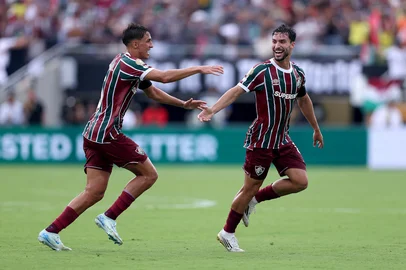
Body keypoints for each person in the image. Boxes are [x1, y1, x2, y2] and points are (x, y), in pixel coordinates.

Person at [38, 23, 223, 251]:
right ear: (135, 44)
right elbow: (164, 77)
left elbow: (153, 91)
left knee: (94, 191)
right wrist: (198, 68)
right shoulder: (128, 64)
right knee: (149, 174)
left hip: (93, 133)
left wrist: (183, 104)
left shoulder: (125, 62)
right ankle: (110, 216)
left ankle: (51, 231)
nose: (152, 45)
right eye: (148, 41)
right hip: (107, 133)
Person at [198, 24, 324, 252]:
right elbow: (236, 91)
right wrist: (213, 109)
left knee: (300, 181)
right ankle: (227, 232)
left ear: (292, 45)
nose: (277, 46)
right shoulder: (261, 71)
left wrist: (315, 127)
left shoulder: (297, 74)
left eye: (282, 42)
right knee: (248, 188)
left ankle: (254, 201)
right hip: (261, 141)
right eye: (274, 41)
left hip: (282, 139)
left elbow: (304, 100)